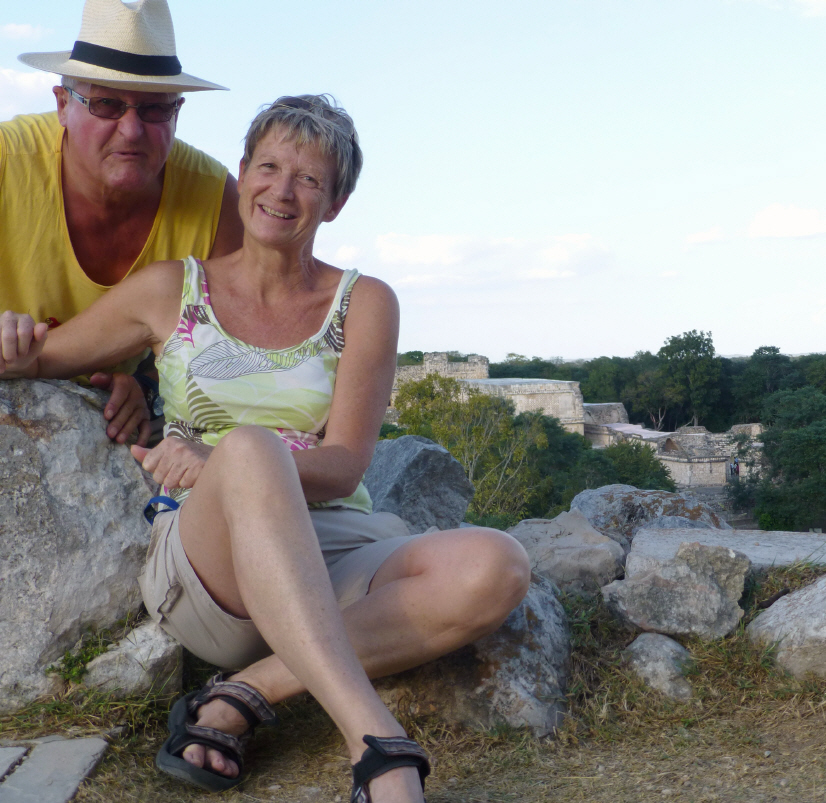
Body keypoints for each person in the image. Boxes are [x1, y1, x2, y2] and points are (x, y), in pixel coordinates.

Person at [0, 94, 530, 803]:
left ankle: (244, 693)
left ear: (335, 203)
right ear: (242, 173)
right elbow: (39, 358)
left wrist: (225, 459)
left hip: (332, 542)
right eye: (270, 167)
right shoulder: (170, 290)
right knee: (251, 450)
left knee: (497, 564)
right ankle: (374, 740)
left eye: (309, 179)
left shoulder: (364, 302)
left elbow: (345, 465)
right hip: (210, 560)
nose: (283, 191)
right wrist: (15, 340)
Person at [1, 0, 242, 446]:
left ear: (177, 112)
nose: (131, 130)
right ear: (62, 105)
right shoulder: (5, 161)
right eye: (107, 104)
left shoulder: (218, 202)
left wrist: (149, 387)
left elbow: (230, 342)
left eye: (154, 109)